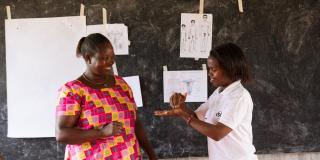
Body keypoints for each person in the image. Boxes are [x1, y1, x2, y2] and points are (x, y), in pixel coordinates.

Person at [56, 33, 157, 160]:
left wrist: (152, 155)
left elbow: (135, 123)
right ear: (88, 58)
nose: (110, 62)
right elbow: (62, 134)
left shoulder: (121, 85)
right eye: (105, 58)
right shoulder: (73, 91)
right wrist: (102, 133)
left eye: (112, 57)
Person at [155, 43, 258, 160]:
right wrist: (181, 107)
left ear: (231, 69)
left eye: (213, 69)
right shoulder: (218, 93)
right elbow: (196, 118)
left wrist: (183, 115)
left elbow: (217, 133)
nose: (209, 73)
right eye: (209, 69)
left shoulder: (239, 97)